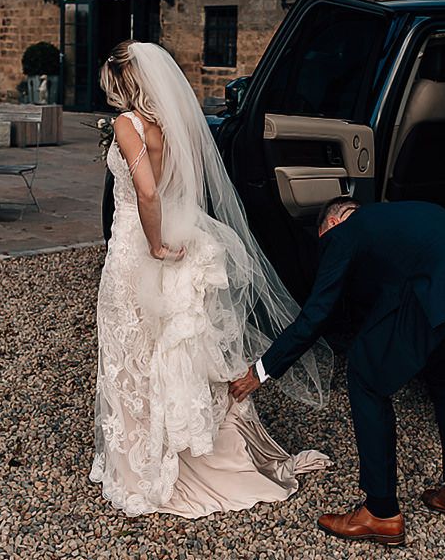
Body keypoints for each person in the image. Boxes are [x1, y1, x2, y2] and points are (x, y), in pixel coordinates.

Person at [90, 40, 333, 518]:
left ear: (123, 83)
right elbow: (179, 186)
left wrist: (157, 245)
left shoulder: (127, 124)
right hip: (174, 238)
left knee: (133, 353)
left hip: (136, 250)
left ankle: (142, 464)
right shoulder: (169, 127)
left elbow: (146, 192)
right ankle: (167, 450)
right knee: (161, 350)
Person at [231, 197, 445, 545]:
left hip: (435, 293)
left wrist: (260, 371)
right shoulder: (404, 215)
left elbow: (316, 315)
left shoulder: (345, 233)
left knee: (365, 376)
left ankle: (381, 511)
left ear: (331, 223)